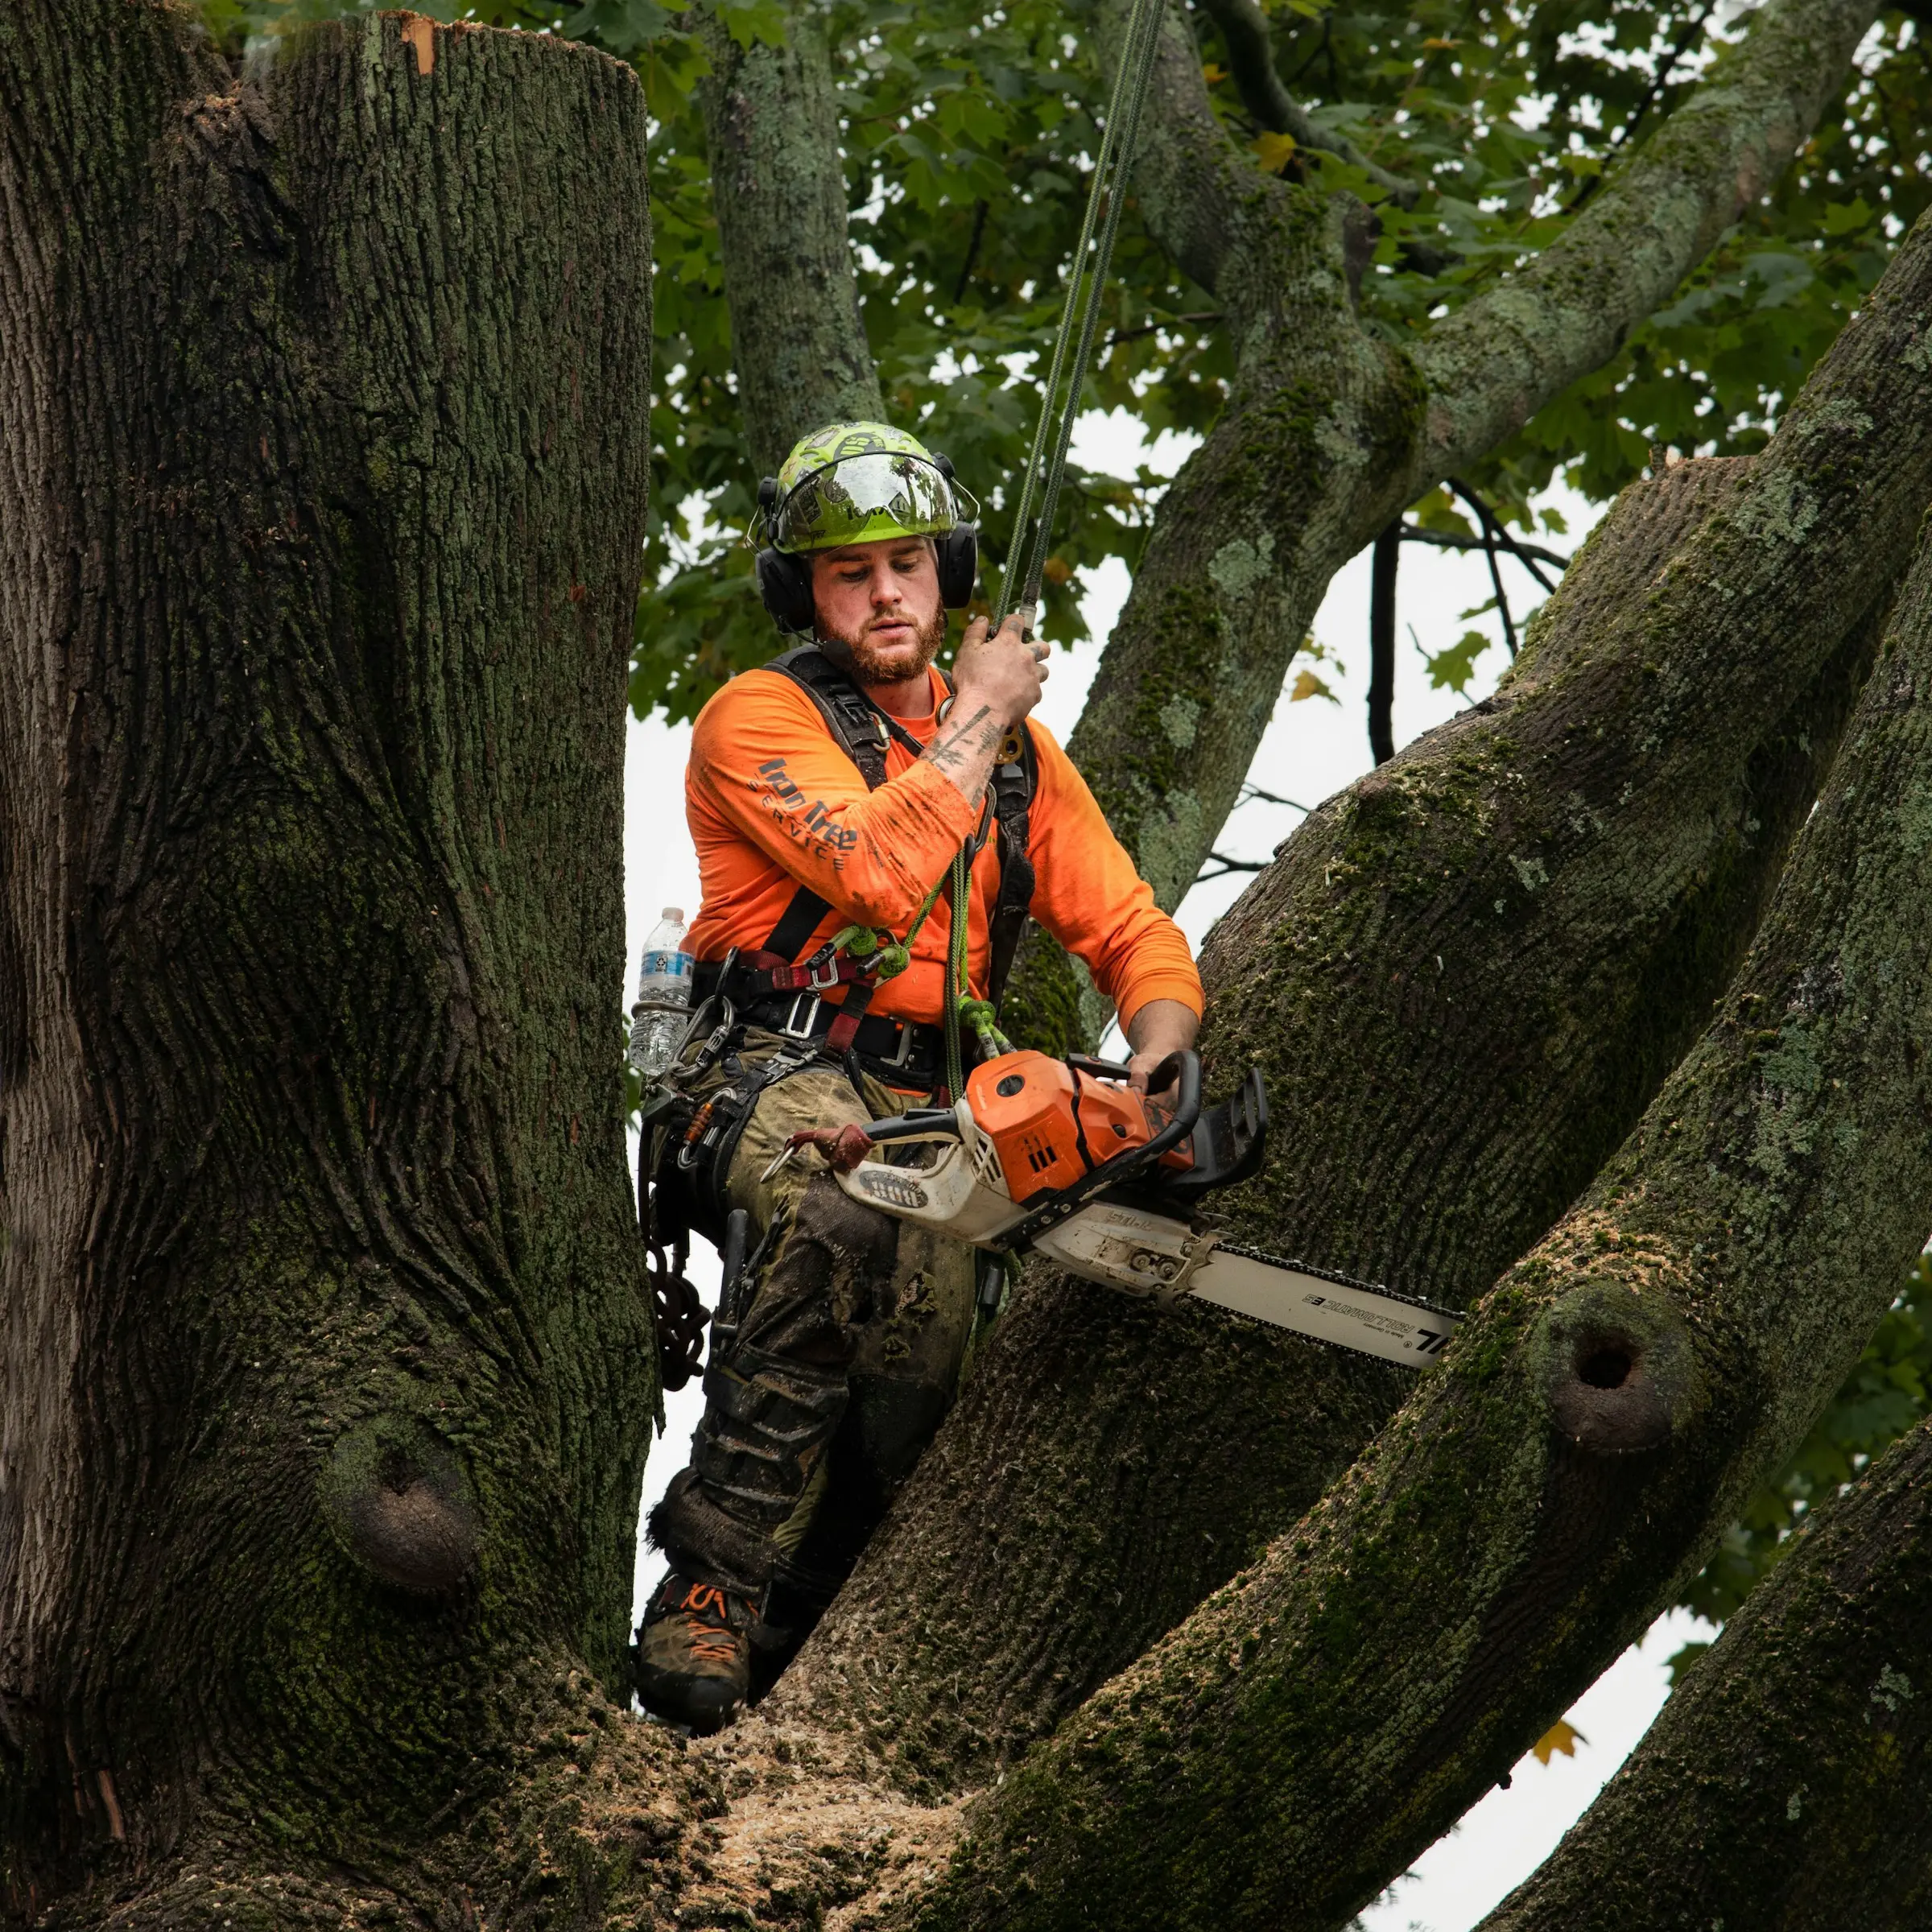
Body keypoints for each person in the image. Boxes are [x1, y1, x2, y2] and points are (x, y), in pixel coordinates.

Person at [634, 420, 1202, 1732]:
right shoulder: (758, 718)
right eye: (850, 573)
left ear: (949, 577)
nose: (885, 593)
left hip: (936, 1098)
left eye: (908, 565)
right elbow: (878, 871)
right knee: (842, 1216)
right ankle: (708, 1584)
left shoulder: (1023, 766)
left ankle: (805, 1627)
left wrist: (1163, 1054)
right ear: (805, 592)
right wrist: (985, 710)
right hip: (775, 1069)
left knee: (928, 1355)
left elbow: (1131, 929)